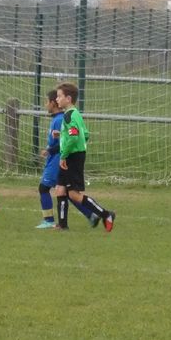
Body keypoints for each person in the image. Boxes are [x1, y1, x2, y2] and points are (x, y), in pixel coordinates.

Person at [54, 82, 115, 232]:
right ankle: (62, 225)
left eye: (59, 96)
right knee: (60, 189)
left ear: (68, 98)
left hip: (72, 157)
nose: (56, 99)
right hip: (74, 154)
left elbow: (74, 136)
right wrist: (62, 135)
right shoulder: (75, 113)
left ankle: (106, 214)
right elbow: (85, 134)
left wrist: (64, 155)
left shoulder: (69, 116)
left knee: (74, 195)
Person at [35, 87, 97, 229]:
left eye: (47, 101)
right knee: (67, 193)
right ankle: (91, 215)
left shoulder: (61, 119)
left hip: (58, 159)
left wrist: (51, 151)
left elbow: (69, 139)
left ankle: (49, 220)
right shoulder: (59, 118)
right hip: (57, 158)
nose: (45, 105)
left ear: (53, 103)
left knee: (44, 188)